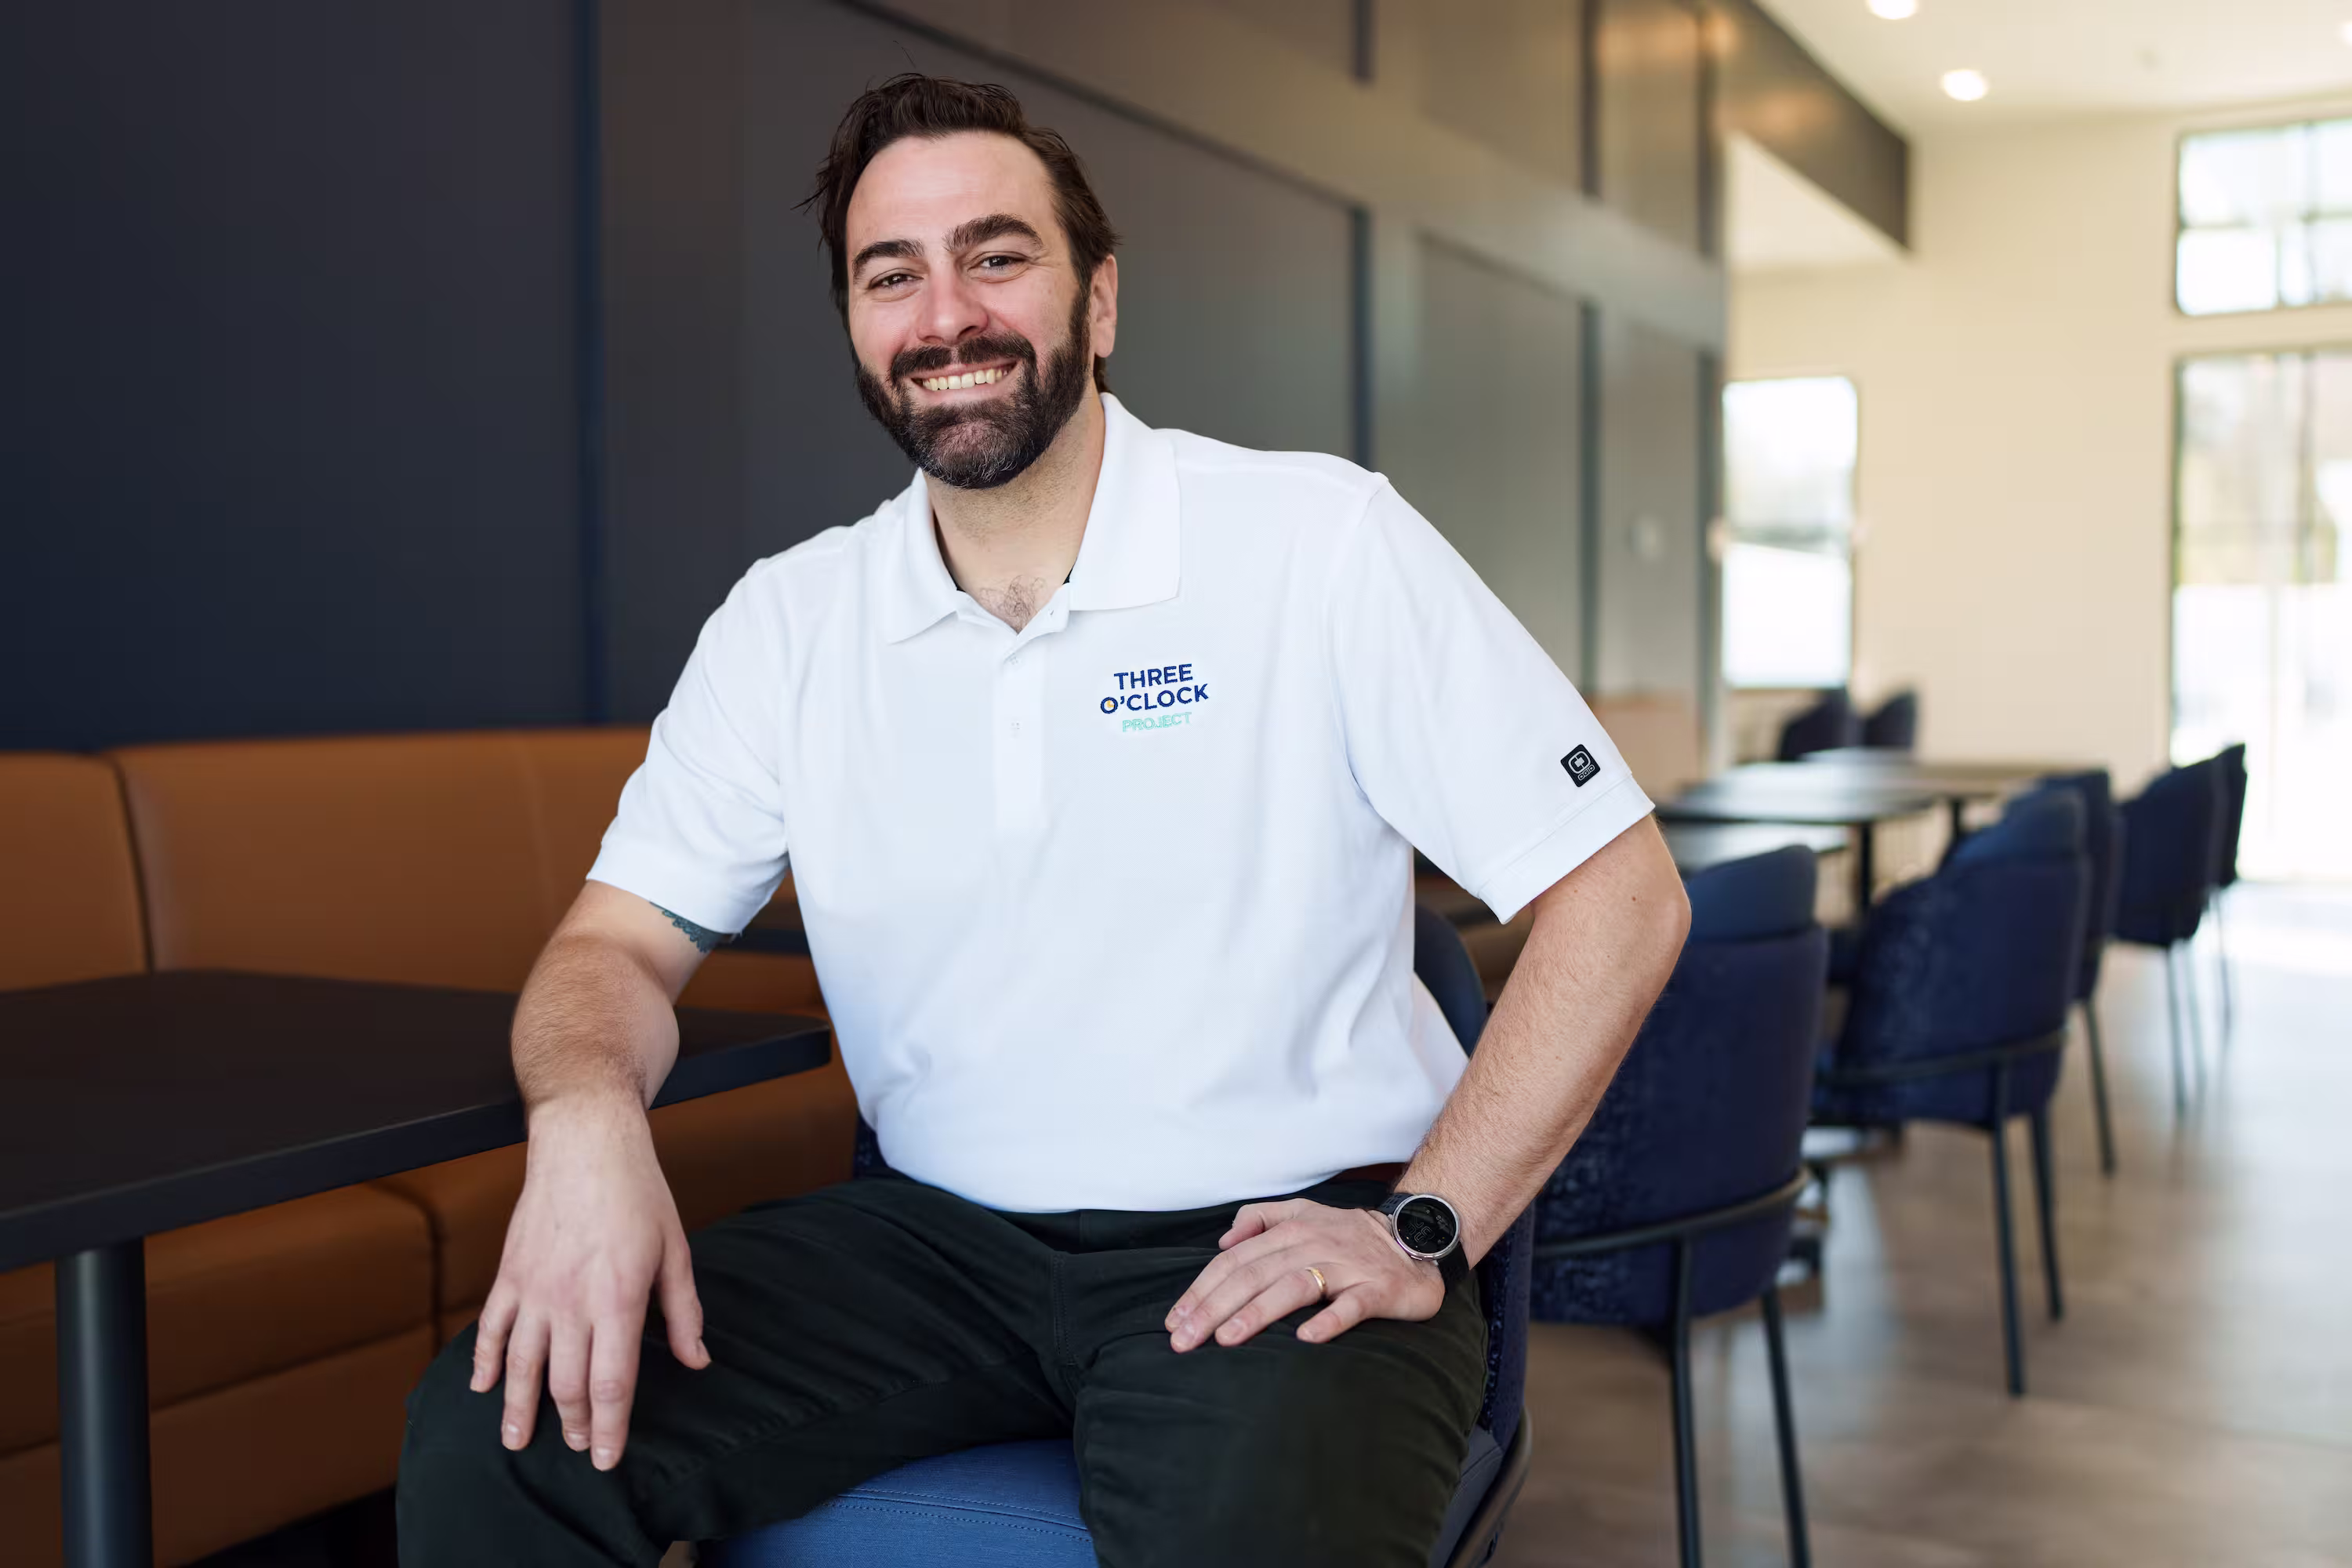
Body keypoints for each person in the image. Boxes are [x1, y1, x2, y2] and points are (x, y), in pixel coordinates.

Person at [396, 73, 1689, 1566]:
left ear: (1102, 300)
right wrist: (586, 1117)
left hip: (1272, 1238)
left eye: (997, 255)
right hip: (935, 1244)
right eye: (895, 274)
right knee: (506, 1438)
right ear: (860, 332)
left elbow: (1622, 896)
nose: (947, 313)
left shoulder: (1317, 541)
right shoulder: (792, 621)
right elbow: (612, 945)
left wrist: (1425, 1223)